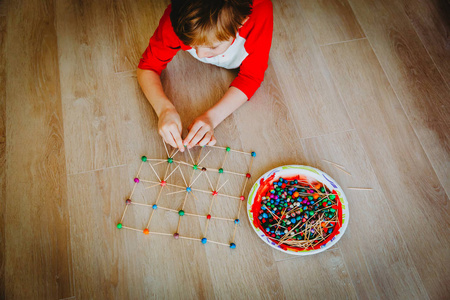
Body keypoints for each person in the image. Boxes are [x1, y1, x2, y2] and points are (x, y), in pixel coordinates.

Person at [137, 0, 273, 152]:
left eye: (212, 46)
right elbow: (147, 67)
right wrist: (164, 109)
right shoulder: (179, 18)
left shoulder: (260, 15)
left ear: (241, 23)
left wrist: (212, 117)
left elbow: (251, 77)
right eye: (191, 44)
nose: (200, 54)